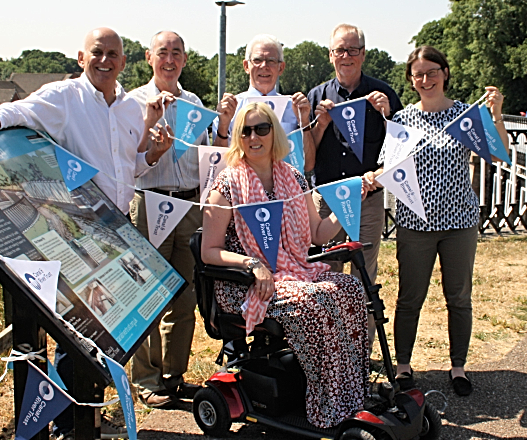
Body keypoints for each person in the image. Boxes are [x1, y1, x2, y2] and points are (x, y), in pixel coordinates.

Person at [0, 27, 175, 439]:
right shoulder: (65, 97)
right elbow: (24, 109)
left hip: (119, 229)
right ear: (82, 57)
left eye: (113, 54)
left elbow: (132, 169)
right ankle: (66, 423)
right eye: (97, 52)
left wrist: (154, 154)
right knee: (72, 332)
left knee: (106, 330)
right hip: (77, 232)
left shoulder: (131, 108)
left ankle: (91, 410)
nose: (105, 60)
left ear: (124, 62)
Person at [201, 102, 369, 428]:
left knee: (348, 287)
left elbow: (319, 232)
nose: (254, 136)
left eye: (261, 128)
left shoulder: (292, 176)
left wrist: (349, 204)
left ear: (273, 132)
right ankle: (327, 403)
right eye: (245, 130)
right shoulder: (227, 185)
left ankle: (351, 391)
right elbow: (209, 251)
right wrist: (253, 264)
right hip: (244, 284)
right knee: (314, 301)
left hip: (292, 272)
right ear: (238, 136)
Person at [374, 45, 508, 396]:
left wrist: (496, 115)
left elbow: (496, 152)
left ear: (445, 73)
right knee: (409, 298)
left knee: (459, 297)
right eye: (418, 73)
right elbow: (388, 168)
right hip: (414, 224)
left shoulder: (466, 114)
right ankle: (403, 365)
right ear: (410, 79)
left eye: (432, 71)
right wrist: (369, 179)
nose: (426, 79)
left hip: (460, 222)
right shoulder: (402, 120)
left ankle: (458, 367)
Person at [307, 23, 403, 352]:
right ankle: (327, 351)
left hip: (368, 198)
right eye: (339, 50)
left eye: (352, 50)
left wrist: (387, 115)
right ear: (330, 55)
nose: (345, 57)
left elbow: (400, 148)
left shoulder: (384, 93)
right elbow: (307, 158)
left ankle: (360, 352)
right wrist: (319, 125)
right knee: (325, 273)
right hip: (326, 199)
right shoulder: (317, 95)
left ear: (363, 54)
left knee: (364, 273)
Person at [127, 30, 206, 409]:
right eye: (163, 52)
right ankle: (146, 379)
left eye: (177, 52)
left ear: (185, 59)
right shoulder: (132, 102)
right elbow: (126, 162)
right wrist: (147, 122)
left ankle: (175, 376)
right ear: (149, 57)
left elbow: (207, 156)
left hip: (190, 205)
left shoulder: (194, 103)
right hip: (149, 204)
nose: (170, 59)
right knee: (147, 297)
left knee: (184, 297)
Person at [212, 34, 316, 177]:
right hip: (242, 193)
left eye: (271, 61)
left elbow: (308, 165)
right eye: (257, 60)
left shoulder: (295, 108)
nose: (264, 66)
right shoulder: (229, 109)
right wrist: (223, 126)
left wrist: (304, 123)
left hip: (286, 193)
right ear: (246, 66)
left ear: (281, 67)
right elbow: (215, 169)